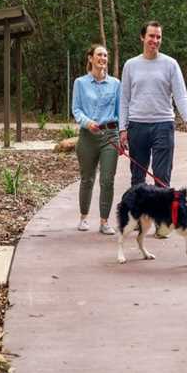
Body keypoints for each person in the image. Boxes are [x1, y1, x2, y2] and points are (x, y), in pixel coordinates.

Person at [119, 21, 187, 195]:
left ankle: (162, 220)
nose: (155, 40)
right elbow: (124, 99)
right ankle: (139, 219)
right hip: (137, 126)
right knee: (138, 178)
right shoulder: (131, 65)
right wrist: (122, 128)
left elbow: (181, 95)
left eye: (158, 37)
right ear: (142, 37)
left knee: (162, 178)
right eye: (151, 36)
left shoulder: (171, 64)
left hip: (163, 125)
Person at [72, 44, 120, 235]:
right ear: (90, 58)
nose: (103, 58)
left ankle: (104, 221)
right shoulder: (80, 83)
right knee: (87, 179)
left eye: (106, 55)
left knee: (107, 180)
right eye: (99, 55)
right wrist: (86, 122)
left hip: (110, 135)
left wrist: (123, 133)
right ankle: (83, 217)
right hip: (88, 136)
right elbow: (76, 109)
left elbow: (120, 111)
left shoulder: (116, 84)